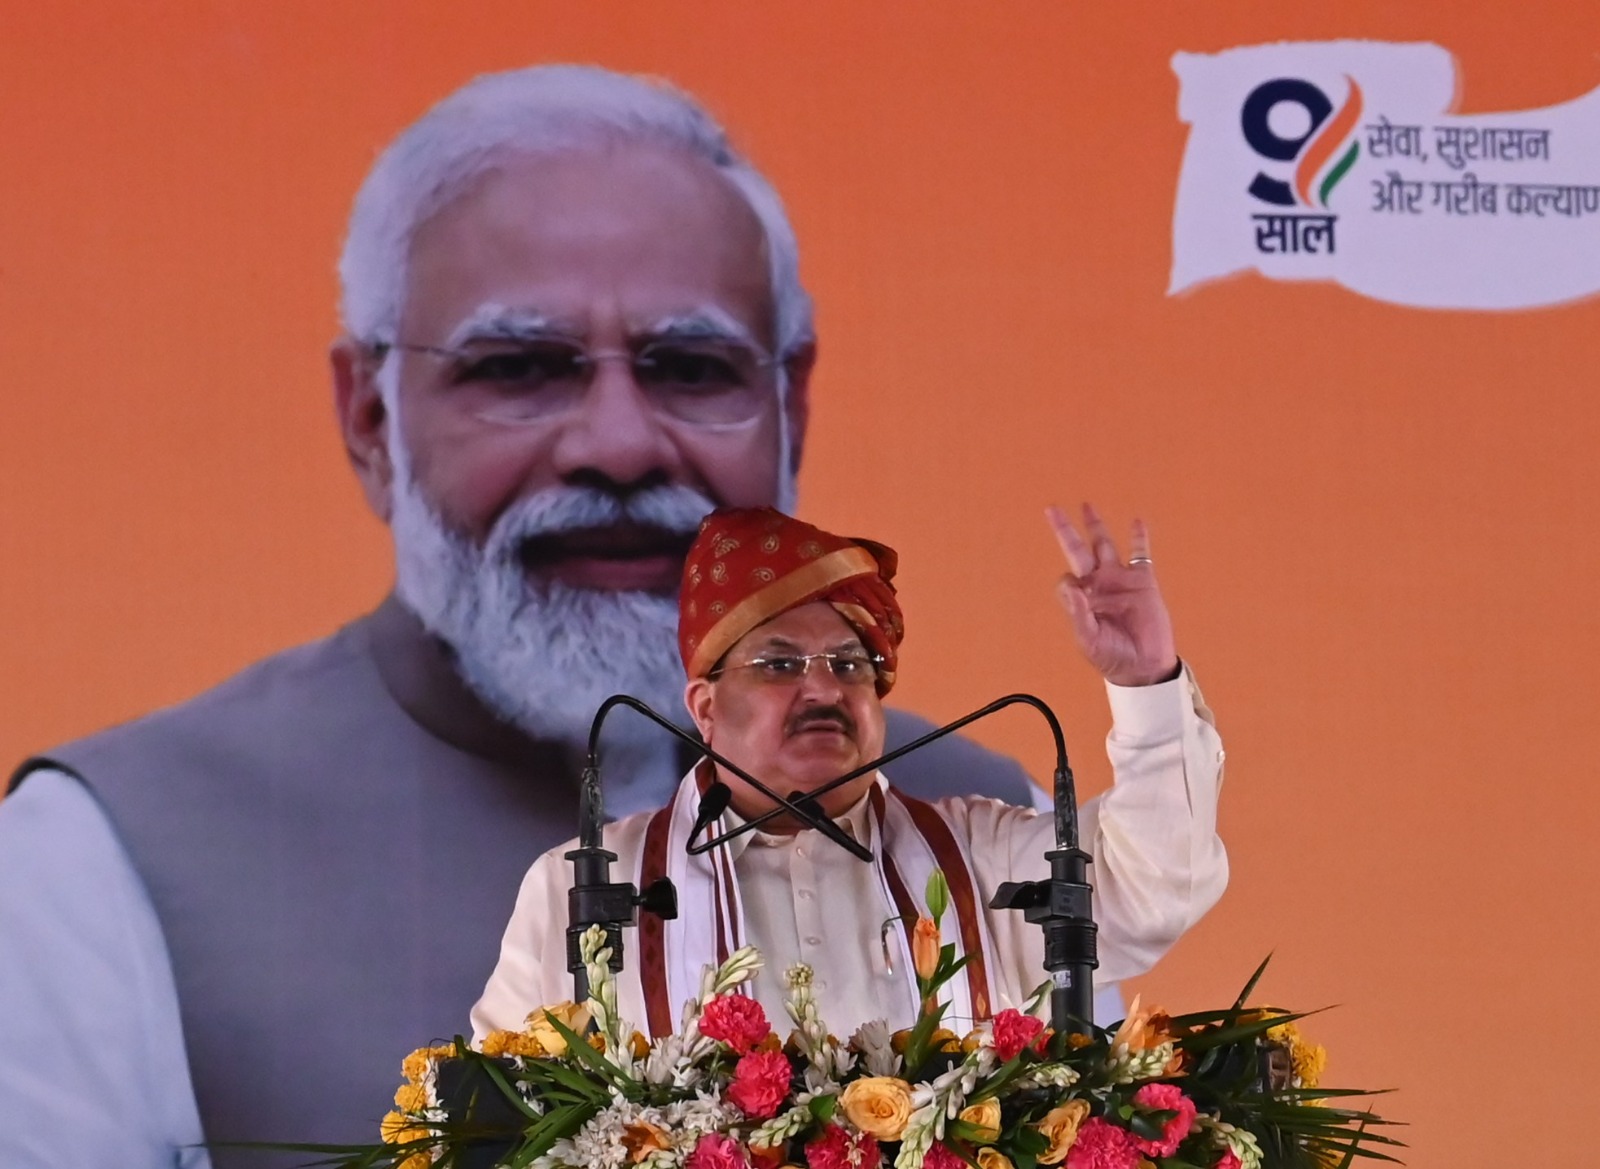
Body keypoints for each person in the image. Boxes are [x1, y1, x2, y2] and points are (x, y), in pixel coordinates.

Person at [0, 66, 1068, 1169]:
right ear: (370, 419)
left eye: (691, 367)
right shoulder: (99, 865)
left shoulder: (989, 825)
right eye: (518, 367)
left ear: (789, 404)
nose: (617, 445)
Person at [473, 506, 1227, 1042]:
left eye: (851, 664)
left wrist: (1148, 685)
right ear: (704, 706)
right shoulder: (588, 890)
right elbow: (499, 1123)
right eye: (779, 664)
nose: (824, 689)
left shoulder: (981, 858)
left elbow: (1155, 883)